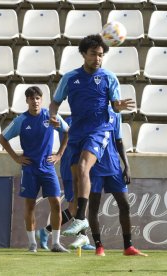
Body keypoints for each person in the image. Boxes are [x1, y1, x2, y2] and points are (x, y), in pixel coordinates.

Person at [49, 34, 135, 236]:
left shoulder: (108, 77)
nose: (97, 59)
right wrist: (53, 114)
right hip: (77, 131)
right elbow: (55, 102)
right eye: (93, 54)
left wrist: (119, 106)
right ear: (83, 54)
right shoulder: (70, 78)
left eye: (101, 55)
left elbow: (114, 105)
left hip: (99, 130)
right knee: (77, 177)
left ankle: (80, 218)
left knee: (82, 167)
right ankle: (80, 220)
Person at [0, 86, 69, 253]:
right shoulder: (21, 120)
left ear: (41, 99)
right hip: (29, 168)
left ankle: (56, 243)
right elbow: (2, 138)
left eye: (37, 98)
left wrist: (59, 154)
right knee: (30, 205)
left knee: (56, 203)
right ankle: (32, 244)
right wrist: (16, 158)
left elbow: (67, 131)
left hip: (47, 167)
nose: (35, 101)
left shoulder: (51, 116)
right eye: (31, 98)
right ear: (27, 101)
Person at [89, 107, 147, 257]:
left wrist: (127, 166)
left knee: (125, 205)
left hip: (114, 167)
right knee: (94, 206)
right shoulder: (89, 111)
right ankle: (98, 246)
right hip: (94, 167)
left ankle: (128, 246)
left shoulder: (115, 114)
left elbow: (119, 141)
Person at [37, 116, 95, 251]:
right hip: (71, 169)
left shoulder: (85, 119)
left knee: (79, 205)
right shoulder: (68, 121)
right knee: (74, 208)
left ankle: (82, 238)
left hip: (80, 168)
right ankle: (45, 231)